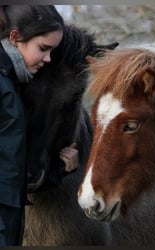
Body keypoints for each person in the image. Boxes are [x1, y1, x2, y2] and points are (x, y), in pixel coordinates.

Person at [0, 5, 79, 246]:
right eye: (43, 49)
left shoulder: (11, 85)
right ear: (15, 38)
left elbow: (10, 171)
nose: (47, 59)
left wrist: (58, 170)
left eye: (52, 53)